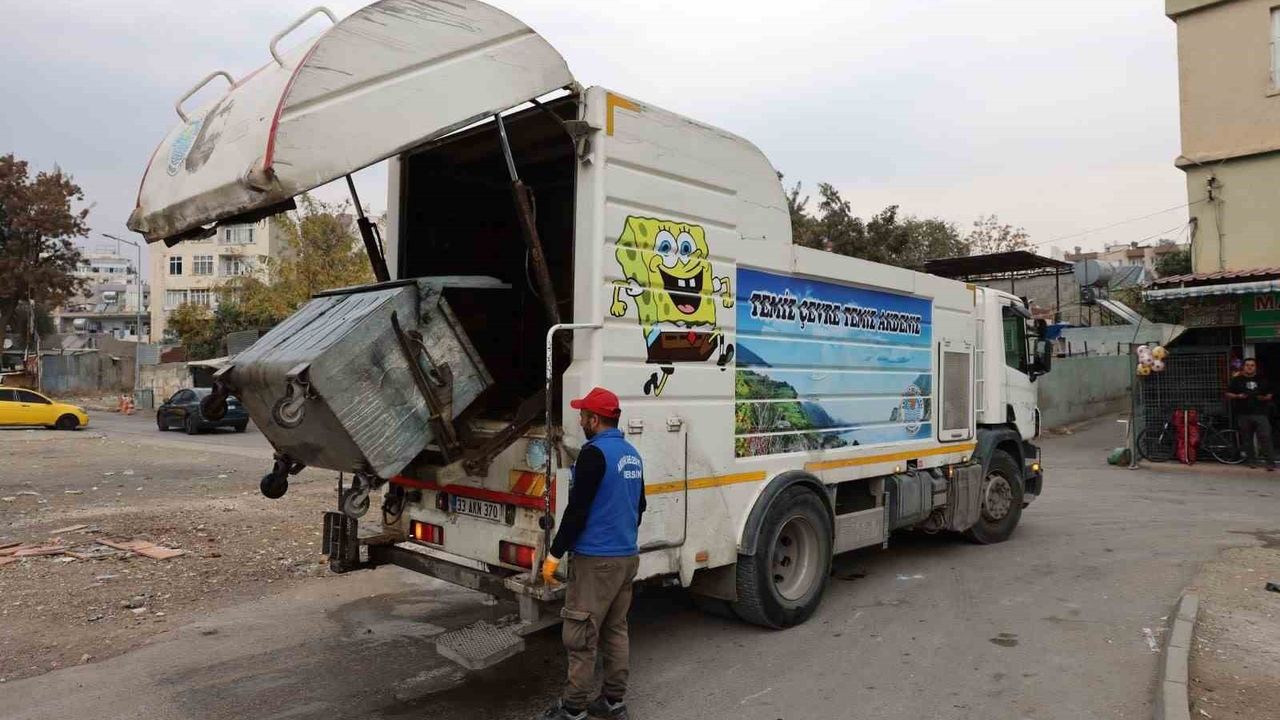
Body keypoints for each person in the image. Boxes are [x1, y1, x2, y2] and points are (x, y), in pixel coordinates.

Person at [538, 387, 646, 720]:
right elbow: (639, 507)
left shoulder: (593, 454)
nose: (580, 420)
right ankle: (613, 702)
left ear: (595, 420)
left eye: (583, 415)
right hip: (626, 558)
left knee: (580, 635)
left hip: (596, 561)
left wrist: (554, 554)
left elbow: (577, 511)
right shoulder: (631, 454)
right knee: (615, 630)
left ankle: (573, 709)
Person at [1226, 358, 1275, 470]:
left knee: (1265, 437)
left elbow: (1270, 395)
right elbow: (1228, 394)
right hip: (1243, 414)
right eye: (1247, 365)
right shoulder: (1237, 380)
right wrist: (1237, 396)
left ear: (1255, 367)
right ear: (1243, 366)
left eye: (1252, 365)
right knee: (1247, 439)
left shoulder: (1262, 379)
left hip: (1261, 414)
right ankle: (1251, 461)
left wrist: (1264, 398)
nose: (1250, 367)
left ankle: (1270, 462)